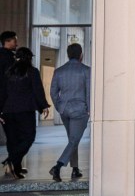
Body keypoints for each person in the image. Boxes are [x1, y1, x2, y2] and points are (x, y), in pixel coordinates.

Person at [0, 47, 50, 178]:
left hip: (8, 111)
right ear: (29, 58)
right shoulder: (32, 71)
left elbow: (2, 93)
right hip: (25, 110)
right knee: (29, 137)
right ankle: (11, 161)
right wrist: (44, 106)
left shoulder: (8, 72)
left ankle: (15, 169)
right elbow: (38, 90)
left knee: (13, 140)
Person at [48, 43, 91, 182]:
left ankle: (75, 169)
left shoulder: (59, 71)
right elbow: (89, 92)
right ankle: (58, 166)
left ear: (67, 54)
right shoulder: (86, 70)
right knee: (74, 140)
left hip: (64, 110)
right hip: (80, 110)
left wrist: (59, 107)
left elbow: (53, 92)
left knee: (73, 140)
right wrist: (89, 108)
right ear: (81, 55)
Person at [0, 31, 18, 174]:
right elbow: (7, 83)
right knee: (13, 136)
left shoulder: (7, 57)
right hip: (7, 104)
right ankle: (12, 162)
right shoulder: (7, 59)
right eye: (14, 41)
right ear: (8, 41)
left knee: (12, 136)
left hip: (5, 103)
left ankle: (13, 162)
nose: (16, 43)